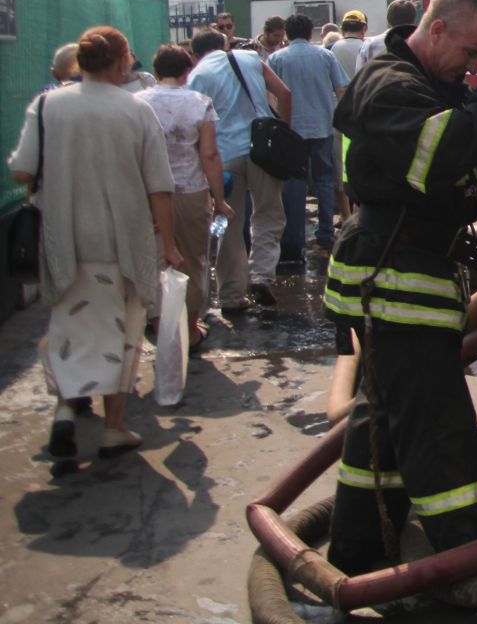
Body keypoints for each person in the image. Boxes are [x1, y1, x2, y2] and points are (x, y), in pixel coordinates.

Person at [324, 0, 477, 580]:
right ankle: (466, 567)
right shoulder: (390, 87)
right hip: (397, 277)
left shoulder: (426, 81)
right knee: (438, 430)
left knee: (382, 424)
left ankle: (357, 551)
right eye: (471, 51)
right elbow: (438, 152)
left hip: (406, 274)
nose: (474, 67)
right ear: (435, 31)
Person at [9, 26, 182, 460]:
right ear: (123, 61)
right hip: (124, 238)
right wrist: (170, 243)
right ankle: (113, 426)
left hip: (64, 237)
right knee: (122, 331)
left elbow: (21, 171)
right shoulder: (135, 110)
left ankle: (66, 411)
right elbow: (160, 186)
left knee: (70, 326)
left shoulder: (47, 105)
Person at [186, 27, 295, 311]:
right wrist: (284, 128)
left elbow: (195, 122)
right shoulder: (248, 59)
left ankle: (232, 295)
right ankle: (261, 274)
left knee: (229, 222)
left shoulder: (198, 76)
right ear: (224, 43)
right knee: (268, 213)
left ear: (195, 54)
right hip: (262, 150)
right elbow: (285, 93)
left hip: (222, 157)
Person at [135, 45, 230, 348]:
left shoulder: (136, 103)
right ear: (186, 71)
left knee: (152, 260)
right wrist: (219, 199)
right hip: (189, 190)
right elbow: (210, 155)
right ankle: (189, 328)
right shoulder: (199, 103)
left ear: (157, 70)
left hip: (147, 195)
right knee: (192, 261)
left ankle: (159, 323)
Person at [268, 13, 348, 260]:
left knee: (294, 183)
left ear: (288, 34)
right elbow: (341, 88)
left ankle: (294, 236)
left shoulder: (276, 58)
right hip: (322, 127)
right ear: (310, 33)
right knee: (325, 180)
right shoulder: (325, 55)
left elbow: (269, 94)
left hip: (290, 130)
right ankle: (325, 232)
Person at [330, 11, 369, 227]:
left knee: (342, 168)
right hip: (364, 115)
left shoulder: (335, 48)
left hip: (340, 115)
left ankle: (346, 216)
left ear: (344, 28)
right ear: (363, 28)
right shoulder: (366, 47)